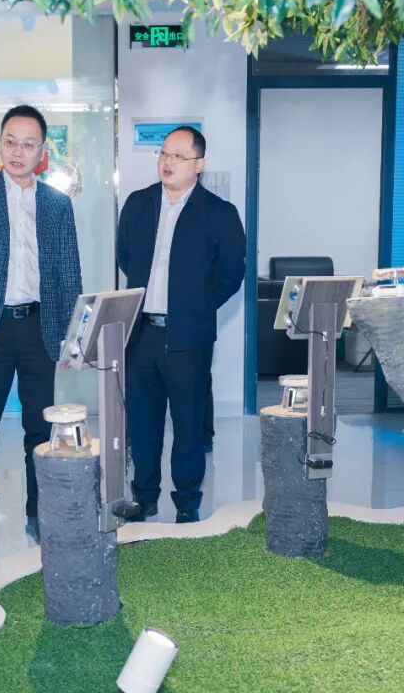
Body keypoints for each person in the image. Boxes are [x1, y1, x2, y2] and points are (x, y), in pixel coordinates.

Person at [0, 105, 83, 543]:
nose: (18, 152)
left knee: (39, 427)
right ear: (0, 143)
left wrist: (72, 337)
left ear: (42, 151)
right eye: (10, 142)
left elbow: (69, 273)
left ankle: (36, 509)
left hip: (39, 327)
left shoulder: (57, 205)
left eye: (28, 144)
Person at [116, 126, 245, 524]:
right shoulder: (138, 204)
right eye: (164, 154)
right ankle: (145, 497)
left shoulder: (219, 213)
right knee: (143, 421)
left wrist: (196, 308)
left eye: (178, 156)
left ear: (199, 164)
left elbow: (231, 274)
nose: (167, 162)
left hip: (189, 337)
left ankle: (187, 501)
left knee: (188, 424)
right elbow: (125, 256)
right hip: (141, 334)